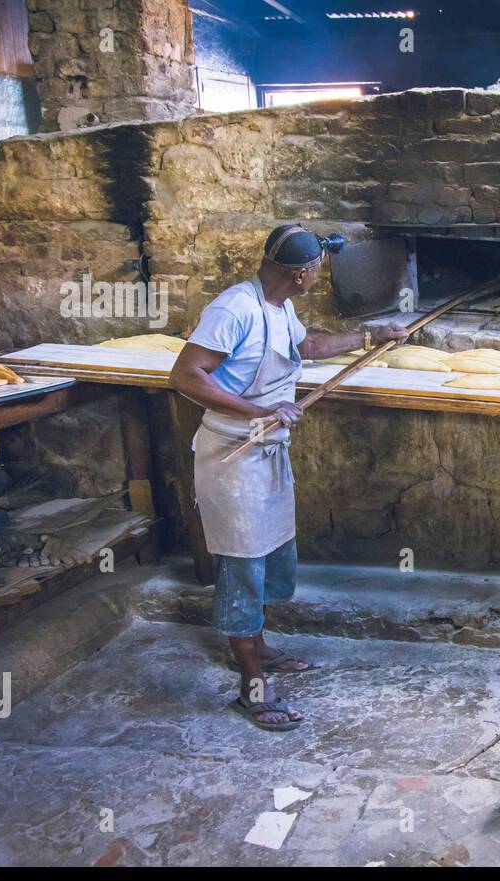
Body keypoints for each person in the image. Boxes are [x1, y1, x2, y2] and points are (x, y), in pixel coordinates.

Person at [169, 224, 408, 730]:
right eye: (318, 268)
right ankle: (251, 685)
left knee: (270, 558)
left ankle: (259, 649)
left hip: (267, 453)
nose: (319, 276)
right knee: (241, 569)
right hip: (232, 458)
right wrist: (255, 411)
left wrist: (371, 336)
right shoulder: (234, 310)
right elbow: (186, 375)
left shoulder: (279, 306)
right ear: (301, 273)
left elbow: (311, 346)